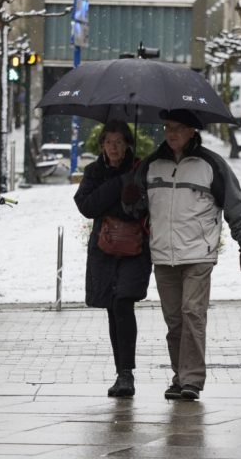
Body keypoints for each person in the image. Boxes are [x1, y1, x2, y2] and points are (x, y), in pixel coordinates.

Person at [124, 108, 241, 402]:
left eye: (179, 128)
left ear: (193, 131)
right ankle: (179, 376)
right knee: (175, 320)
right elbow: (137, 210)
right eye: (168, 127)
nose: (171, 134)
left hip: (199, 253)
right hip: (163, 255)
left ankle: (192, 380)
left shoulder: (211, 165)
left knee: (192, 315)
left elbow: (235, 206)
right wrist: (132, 199)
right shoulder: (151, 165)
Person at [74, 120, 151, 399]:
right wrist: (118, 185)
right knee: (111, 307)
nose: (114, 147)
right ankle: (121, 371)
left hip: (134, 249)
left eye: (119, 142)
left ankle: (126, 373)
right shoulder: (95, 171)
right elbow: (86, 205)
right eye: (109, 142)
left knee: (123, 303)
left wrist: (133, 199)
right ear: (102, 144)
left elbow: (145, 207)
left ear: (128, 144)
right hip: (105, 251)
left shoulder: (140, 169)